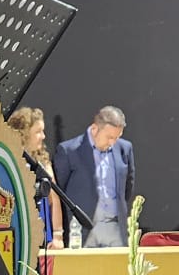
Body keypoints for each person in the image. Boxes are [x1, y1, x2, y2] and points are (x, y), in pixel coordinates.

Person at [53, 105, 134, 247]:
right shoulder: (69, 151)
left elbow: (127, 186)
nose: (112, 143)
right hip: (82, 229)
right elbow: (59, 193)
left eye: (117, 137)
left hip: (114, 228)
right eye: (109, 137)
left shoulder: (124, 149)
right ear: (95, 129)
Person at [11, 106, 62, 249]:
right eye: (38, 132)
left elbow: (55, 199)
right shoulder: (9, 160)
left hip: (43, 235)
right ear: (24, 134)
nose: (43, 136)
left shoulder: (44, 161)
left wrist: (58, 235)